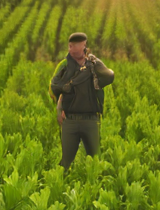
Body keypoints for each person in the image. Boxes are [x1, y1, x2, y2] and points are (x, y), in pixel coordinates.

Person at [49, 32, 115, 169]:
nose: (71, 49)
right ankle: (62, 186)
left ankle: (94, 187)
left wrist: (96, 62)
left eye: (75, 46)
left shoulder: (94, 64)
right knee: (66, 161)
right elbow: (53, 88)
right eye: (70, 46)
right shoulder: (64, 64)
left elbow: (109, 76)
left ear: (84, 46)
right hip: (70, 119)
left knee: (95, 160)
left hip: (90, 119)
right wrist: (58, 108)